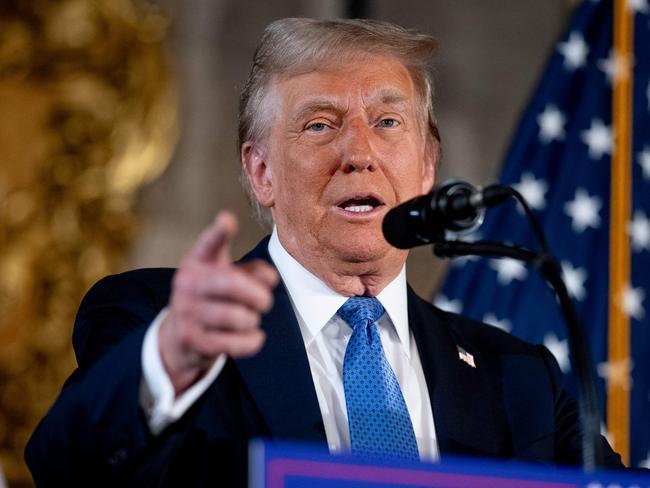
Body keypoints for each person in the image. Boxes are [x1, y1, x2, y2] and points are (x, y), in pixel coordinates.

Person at [25, 17, 623, 487]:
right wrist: (169, 359)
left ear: (426, 168)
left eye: (388, 121)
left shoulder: (517, 377)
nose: (359, 152)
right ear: (260, 173)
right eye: (319, 125)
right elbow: (65, 466)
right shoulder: (156, 321)